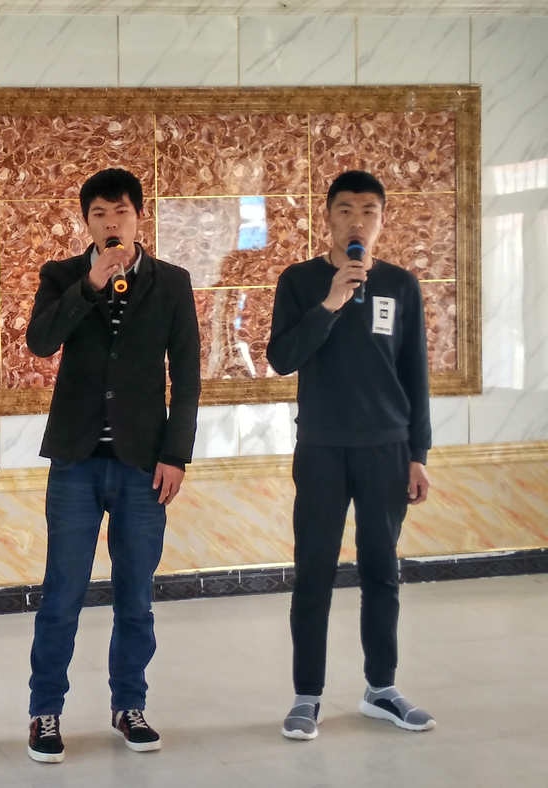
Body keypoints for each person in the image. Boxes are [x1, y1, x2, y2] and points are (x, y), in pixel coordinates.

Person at [24, 168, 201, 762]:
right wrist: (90, 285)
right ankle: (45, 712)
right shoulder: (63, 276)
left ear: (138, 217)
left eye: (120, 211)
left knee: (135, 596)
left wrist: (175, 454)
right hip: (76, 460)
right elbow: (40, 342)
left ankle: (130, 705)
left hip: (142, 464)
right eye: (98, 214)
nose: (110, 222)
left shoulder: (172, 283)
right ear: (87, 222)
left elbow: (187, 377)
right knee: (62, 593)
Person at [267, 169, 435, 741]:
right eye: (345, 210)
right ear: (328, 217)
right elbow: (282, 358)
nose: (356, 220)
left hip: (387, 448)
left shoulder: (401, 285)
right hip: (321, 447)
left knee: (382, 571)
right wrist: (332, 302)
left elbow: (414, 373)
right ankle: (306, 696)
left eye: (368, 211)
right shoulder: (299, 281)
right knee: (313, 573)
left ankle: (381, 689)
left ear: (382, 219)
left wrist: (418, 453)